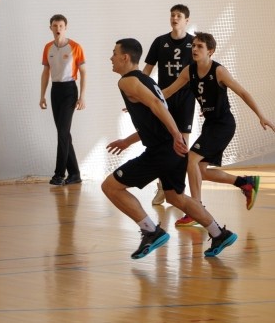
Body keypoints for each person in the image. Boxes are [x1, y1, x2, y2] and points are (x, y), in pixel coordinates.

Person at [102, 38, 237, 259]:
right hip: (172, 149)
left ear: (125, 57)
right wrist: (128, 141)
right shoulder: (146, 80)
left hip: (163, 150)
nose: (111, 58)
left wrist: (175, 135)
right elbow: (155, 119)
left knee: (110, 186)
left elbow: (157, 105)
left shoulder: (127, 81)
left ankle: (151, 231)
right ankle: (219, 233)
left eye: (114, 53)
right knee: (176, 197)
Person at [160, 32, 274, 226]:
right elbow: (169, 91)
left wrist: (261, 116)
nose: (195, 49)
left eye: (200, 46)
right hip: (210, 125)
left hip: (223, 125)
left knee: (191, 160)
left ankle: (196, 210)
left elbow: (243, 92)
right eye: (193, 46)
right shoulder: (189, 71)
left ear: (210, 51)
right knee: (201, 171)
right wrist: (146, 99)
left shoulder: (219, 71)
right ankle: (245, 183)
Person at [142, 4, 196, 209]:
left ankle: (178, 188)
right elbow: (146, 70)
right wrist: (137, 92)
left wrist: (204, 99)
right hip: (163, 97)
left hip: (186, 98)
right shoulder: (160, 41)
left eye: (178, 16)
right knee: (164, 142)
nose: (174, 18)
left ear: (186, 20)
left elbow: (201, 72)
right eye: (172, 15)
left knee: (182, 144)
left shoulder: (194, 43)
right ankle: (163, 186)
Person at [40, 14, 87, 185]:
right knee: (63, 133)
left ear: (66, 27)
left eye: (61, 26)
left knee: (62, 133)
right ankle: (75, 174)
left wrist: (82, 97)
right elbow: (45, 72)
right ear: (50, 28)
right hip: (55, 91)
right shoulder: (48, 48)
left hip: (69, 90)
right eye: (55, 26)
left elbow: (83, 73)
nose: (58, 29)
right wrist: (42, 95)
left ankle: (59, 174)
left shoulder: (75, 47)